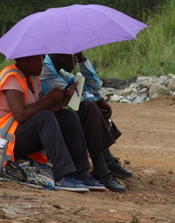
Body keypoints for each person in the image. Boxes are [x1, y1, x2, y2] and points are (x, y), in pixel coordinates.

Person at [0, 54, 106, 192]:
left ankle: (81, 172)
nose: (42, 64)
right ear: (25, 60)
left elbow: (38, 111)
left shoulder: (33, 79)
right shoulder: (12, 77)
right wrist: (49, 100)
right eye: (38, 60)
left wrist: (63, 102)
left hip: (16, 134)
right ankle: (63, 175)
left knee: (68, 115)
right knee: (45, 117)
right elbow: (21, 115)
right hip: (0, 139)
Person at [40, 53, 133, 193]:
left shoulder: (59, 69)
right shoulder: (45, 70)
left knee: (91, 106)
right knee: (89, 107)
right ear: (61, 55)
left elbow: (94, 86)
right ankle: (102, 168)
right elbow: (72, 96)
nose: (76, 61)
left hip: (56, 117)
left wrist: (82, 58)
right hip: (46, 124)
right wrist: (95, 101)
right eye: (75, 56)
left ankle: (105, 162)